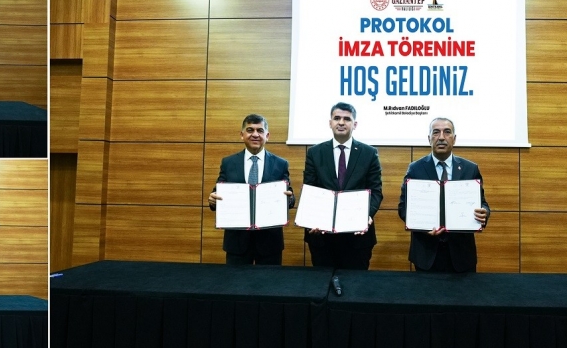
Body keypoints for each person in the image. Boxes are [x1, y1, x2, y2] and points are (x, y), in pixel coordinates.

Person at [398, 117, 490, 273]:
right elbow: (403, 207)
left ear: (454, 139)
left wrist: (484, 212)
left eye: (447, 132)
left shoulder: (470, 169)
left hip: (462, 254)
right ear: (429, 138)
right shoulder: (415, 169)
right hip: (426, 253)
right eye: (436, 132)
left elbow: (482, 203)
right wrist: (421, 226)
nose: (441, 137)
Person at [303, 102, 383, 270]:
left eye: (347, 119)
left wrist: (367, 215)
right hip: (322, 236)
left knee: (355, 284)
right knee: (322, 283)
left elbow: (376, 191)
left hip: (357, 237)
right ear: (330, 123)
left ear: (355, 124)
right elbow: (310, 189)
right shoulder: (315, 152)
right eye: (337, 118)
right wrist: (312, 219)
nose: (341, 122)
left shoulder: (369, 153)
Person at [208, 114, 295, 265]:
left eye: (260, 130)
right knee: (235, 280)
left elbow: (289, 195)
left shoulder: (281, 164)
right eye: (250, 130)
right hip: (237, 241)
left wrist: (290, 198)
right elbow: (218, 191)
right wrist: (213, 199)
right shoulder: (228, 163)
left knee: (269, 280)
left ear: (267, 136)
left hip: (269, 241)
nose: (255, 134)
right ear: (242, 135)